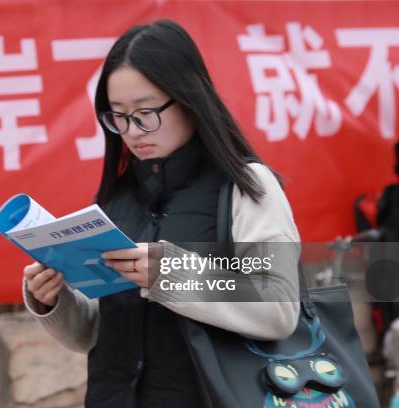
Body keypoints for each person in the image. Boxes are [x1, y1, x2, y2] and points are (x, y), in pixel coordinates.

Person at [21, 19, 300, 407]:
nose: (132, 131)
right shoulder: (116, 199)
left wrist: (169, 274)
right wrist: (54, 301)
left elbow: (279, 305)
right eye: (117, 116)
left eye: (145, 112)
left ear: (189, 99)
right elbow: (95, 333)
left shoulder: (246, 185)